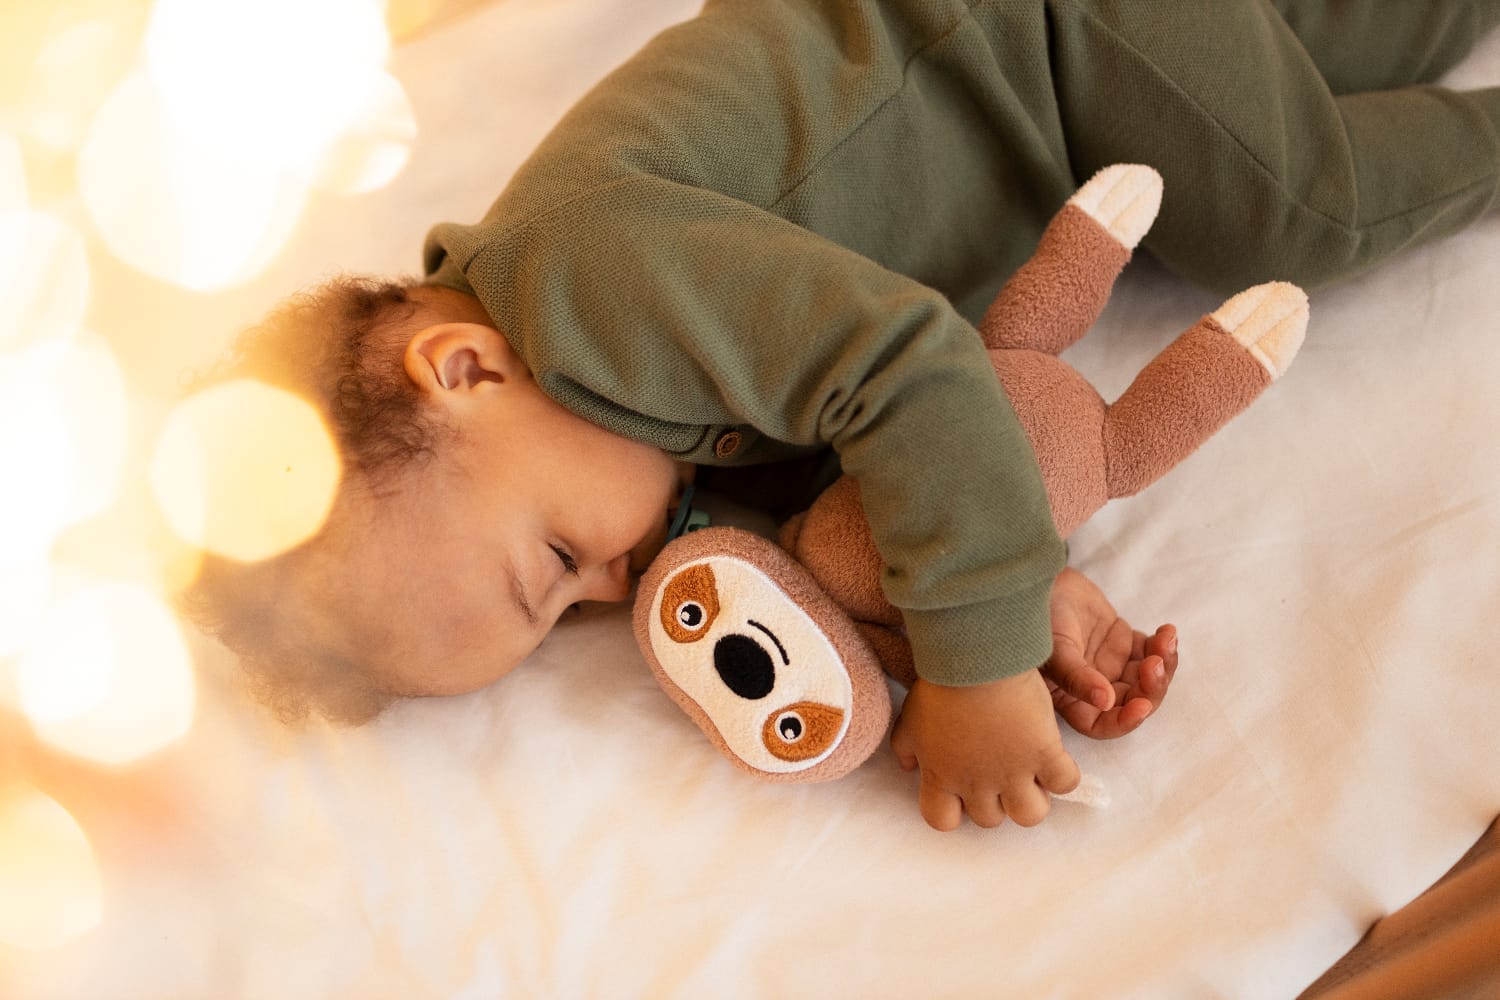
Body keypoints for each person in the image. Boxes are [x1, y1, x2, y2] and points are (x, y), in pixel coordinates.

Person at [187, 0, 1500, 832]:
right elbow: (858, 497)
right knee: (1387, 34)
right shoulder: (603, 419)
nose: (615, 586)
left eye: (557, 561)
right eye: (572, 615)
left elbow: (909, 373)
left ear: (465, 370)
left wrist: (980, 666)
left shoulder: (593, 276)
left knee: (1300, 206)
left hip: (1040, 33)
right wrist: (1030, 593)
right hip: (1082, 105)